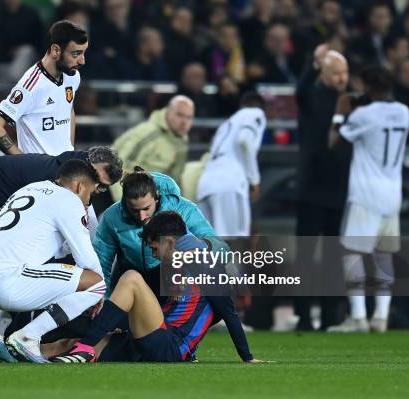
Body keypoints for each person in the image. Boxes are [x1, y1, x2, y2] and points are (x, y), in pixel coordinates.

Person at [51, 212, 266, 363]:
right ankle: (24, 350)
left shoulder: (205, 264)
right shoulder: (176, 268)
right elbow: (162, 310)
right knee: (65, 345)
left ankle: (86, 346)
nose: (153, 255)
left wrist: (247, 357)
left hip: (169, 346)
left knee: (132, 278)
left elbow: (228, 313)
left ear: (170, 243)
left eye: (155, 247)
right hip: (151, 340)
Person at [0, 160, 106, 363]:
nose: (87, 202)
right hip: (3, 284)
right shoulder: (69, 199)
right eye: (89, 195)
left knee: (31, 273)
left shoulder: (30, 188)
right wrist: (100, 291)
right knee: (96, 283)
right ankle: (28, 337)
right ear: (79, 187)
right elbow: (86, 258)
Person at [327, 66, 409, 333]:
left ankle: (359, 317)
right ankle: (381, 318)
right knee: (384, 254)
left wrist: (341, 112)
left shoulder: (363, 115)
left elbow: (334, 142)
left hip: (365, 193)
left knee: (352, 252)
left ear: (368, 88)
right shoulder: (404, 111)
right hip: (392, 193)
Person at [0, 146, 122, 246]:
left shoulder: (76, 175)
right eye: (96, 179)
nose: (95, 187)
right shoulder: (59, 179)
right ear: (87, 163)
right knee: (6, 256)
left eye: (103, 188)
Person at [94, 168, 224, 297]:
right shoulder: (112, 216)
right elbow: (101, 262)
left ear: (156, 197)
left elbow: (221, 249)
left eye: (146, 208)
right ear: (125, 202)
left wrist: (191, 254)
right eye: (134, 210)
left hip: (171, 280)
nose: (142, 217)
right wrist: (103, 300)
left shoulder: (184, 210)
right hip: (128, 277)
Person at [293, 44, 350, 331]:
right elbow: (299, 91)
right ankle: (303, 316)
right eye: (336, 72)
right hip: (312, 189)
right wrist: (313, 63)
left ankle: (330, 316)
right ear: (323, 74)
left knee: (332, 255)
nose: (342, 78)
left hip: (338, 190)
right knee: (306, 253)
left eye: (344, 72)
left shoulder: (351, 104)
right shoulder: (311, 97)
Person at [0, 20, 88, 155]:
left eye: (83, 53)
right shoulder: (30, 86)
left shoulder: (73, 76)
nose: (82, 61)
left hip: (63, 172)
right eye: (76, 54)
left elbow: (69, 110)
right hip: (39, 175)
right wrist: (24, 163)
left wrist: (69, 151)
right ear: (55, 50)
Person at [196, 92, 266, 237]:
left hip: (206, 182)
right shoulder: (254, 112)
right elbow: (244, 140)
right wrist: (255, 180)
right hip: (229, 183)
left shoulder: (226, 123)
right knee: (234, 242)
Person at [110, 95, 195, 201]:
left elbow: (175, 178)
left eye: (189, 117)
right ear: (167, 112)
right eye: (179, 115)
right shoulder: (147, 133)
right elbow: (116, 165)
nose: (184, 122)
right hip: (119, 194)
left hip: (147, 200)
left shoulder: (182, 140)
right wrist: (123, 203)